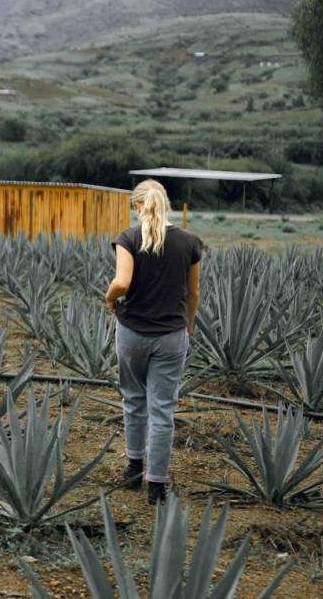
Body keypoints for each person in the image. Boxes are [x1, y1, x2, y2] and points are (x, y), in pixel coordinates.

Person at [105, 179, 201, 505]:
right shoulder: (189, 242)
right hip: (172, 338)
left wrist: (110, 298)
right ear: (167, 205)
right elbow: (193, 293)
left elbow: (122, 282)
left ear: (138, 206)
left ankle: (133, 467)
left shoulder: (129, 238)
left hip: (132, 334)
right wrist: (187, 324)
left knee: (133, 399)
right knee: (163, 411)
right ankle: (156, 486)